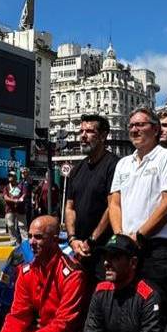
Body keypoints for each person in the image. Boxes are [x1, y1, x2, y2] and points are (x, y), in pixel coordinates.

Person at [109, 108, 167, 315]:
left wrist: (140, 236)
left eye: (140, 125)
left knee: (158, 308)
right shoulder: (123, 163)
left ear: (155, 129)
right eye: (131, 126)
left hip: (159, 250)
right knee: (131, 307)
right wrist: (120, 237)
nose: (134, 130)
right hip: (128, 248)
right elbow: (114, 202)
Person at [64, 114, 119, 282]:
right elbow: (69, 207)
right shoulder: (77, 169)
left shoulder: (115, 165)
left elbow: (112, 206)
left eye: (89, 131)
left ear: (103, 136)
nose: (83, 136)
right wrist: (72, 239)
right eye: (81, 131)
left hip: (104, 252)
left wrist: (92, 240)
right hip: (78, 250)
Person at [3, 172, 28, 246]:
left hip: (20, 208)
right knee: (10, 225)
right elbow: (5, 197)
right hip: (10, 209)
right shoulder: (7, 187)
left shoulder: (21, 185)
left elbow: (24, 194)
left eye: (11, 176)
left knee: (22, 225)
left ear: (15, 177)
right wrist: (14, 200)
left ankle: (25, 241)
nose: (9, 177)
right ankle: (14, 240)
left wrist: (21, 199)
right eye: (9, 176)